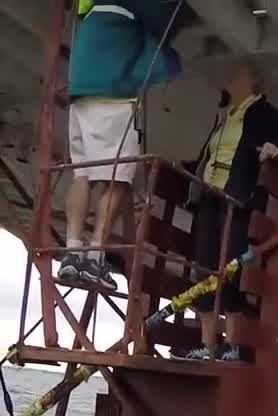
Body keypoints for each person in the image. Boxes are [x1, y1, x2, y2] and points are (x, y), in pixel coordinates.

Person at [184, 60, 278, 361]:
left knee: (232, 270)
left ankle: (233, 345)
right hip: (210, 198)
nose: (230, 80)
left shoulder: (266, 114)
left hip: (238, 200)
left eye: (237, 76)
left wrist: (277, 152)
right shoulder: (226, 116)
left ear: (254, 82)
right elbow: (206, 155)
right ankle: (206, 345)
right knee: (205, 269)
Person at [60, 0, 182, 291]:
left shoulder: (90, 15)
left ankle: (72, 250)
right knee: (117, 179)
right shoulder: (128, 15)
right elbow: (162, 43)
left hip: (80, 94)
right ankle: (95, 258)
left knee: (82, 175)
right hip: (112, 97)